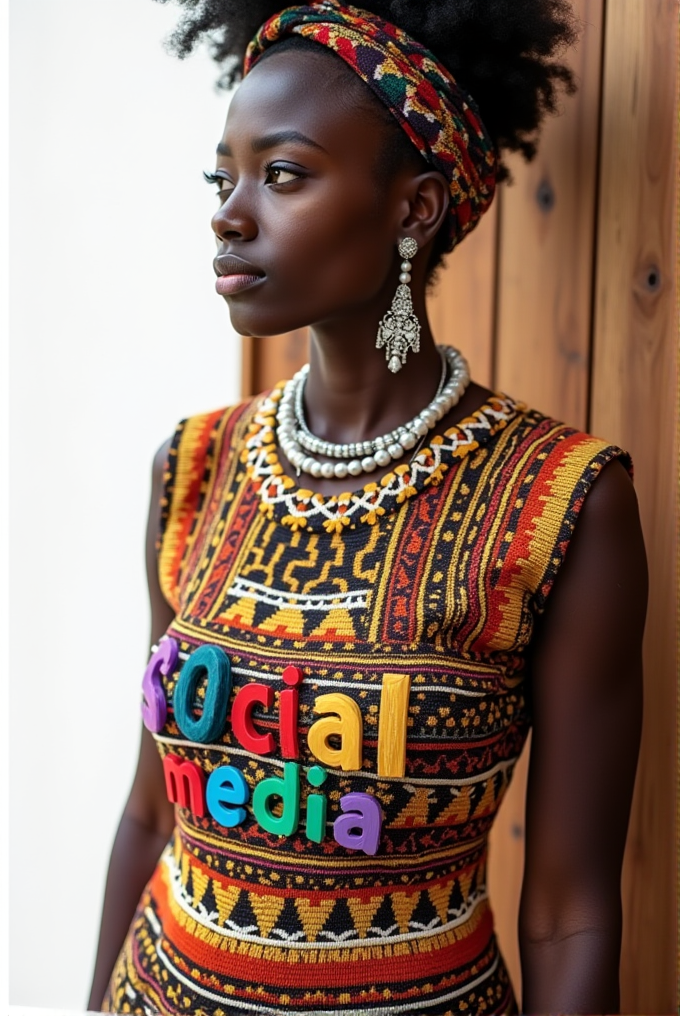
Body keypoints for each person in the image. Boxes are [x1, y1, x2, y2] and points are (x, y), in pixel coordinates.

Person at [88, 2, 648, 1014]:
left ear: (413, 208)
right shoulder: (195, 466)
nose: (229, 210)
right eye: (225, 177)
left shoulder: (559, 502)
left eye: (284, 173)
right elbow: (146, 814)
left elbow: (569, 908)